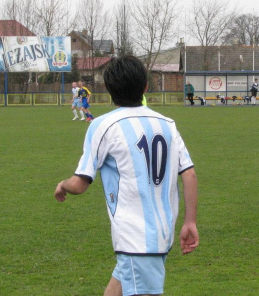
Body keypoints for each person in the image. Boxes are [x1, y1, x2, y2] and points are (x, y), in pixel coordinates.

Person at [54, 55, 199, 296]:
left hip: (135, 238)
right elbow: (190, 174)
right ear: (145, 87)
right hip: (161, 234)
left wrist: (62, 185)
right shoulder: (168, 124)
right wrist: (190, 221)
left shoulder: (103, 125)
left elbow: (79, 184)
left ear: (109, 90)